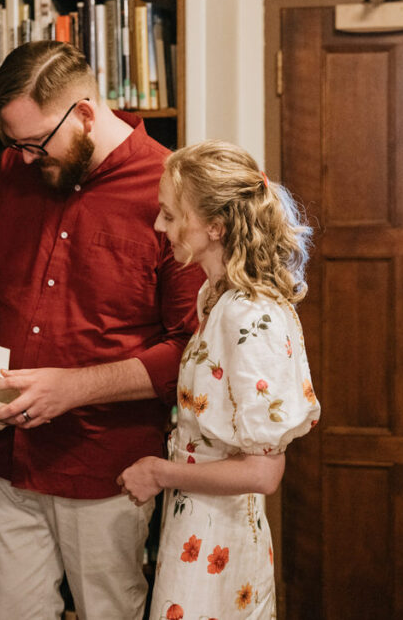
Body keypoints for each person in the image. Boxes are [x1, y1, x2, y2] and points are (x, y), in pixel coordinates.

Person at [0, 40, 205, 620]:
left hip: (102, 465)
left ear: (84, 112)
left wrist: (75, 388)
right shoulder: (13, 171)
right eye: (15, 145)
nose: (26, 159)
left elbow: (191, 350)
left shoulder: (169, 189)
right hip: (1, 458)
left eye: (36, 143)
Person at [117, 140, 320, 620]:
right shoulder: (214, 296)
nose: (158, 226)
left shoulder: (251, 316)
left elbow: (263, 472)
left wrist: (160, 472)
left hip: (222, 534)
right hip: (197, 524)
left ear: (214, 226)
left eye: (170, 215)